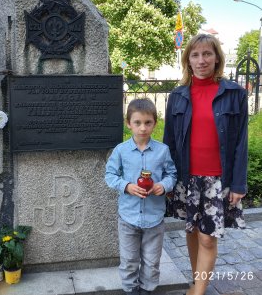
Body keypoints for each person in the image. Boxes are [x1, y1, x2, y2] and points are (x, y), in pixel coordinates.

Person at [164, 34, 247, 295]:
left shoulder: (234, 94)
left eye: (207, 54)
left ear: (217, 58)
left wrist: (238, 183)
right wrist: (168, 178)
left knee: (207, 238)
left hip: (218, 179)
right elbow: (169, 142)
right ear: (188, 60)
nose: (202, 60)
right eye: (195, 55)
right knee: (191, 231)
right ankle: (197, 280)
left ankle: (198, 292)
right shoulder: (177, 96)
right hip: (186, 177)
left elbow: (241, 142)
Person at [105, 98, 177, 295]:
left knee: (152, 261)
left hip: (154, 218)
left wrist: (163, 185)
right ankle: (130, 290)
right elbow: (110, 175)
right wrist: (127, 186)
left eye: (148, 123)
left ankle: (147, 290)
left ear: (155, 123)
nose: (143, 128)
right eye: (137, 123)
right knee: (129, 260)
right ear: (129, 123)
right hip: (128, 218)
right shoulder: (121, 150)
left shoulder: (162, 150)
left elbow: (172, 174)